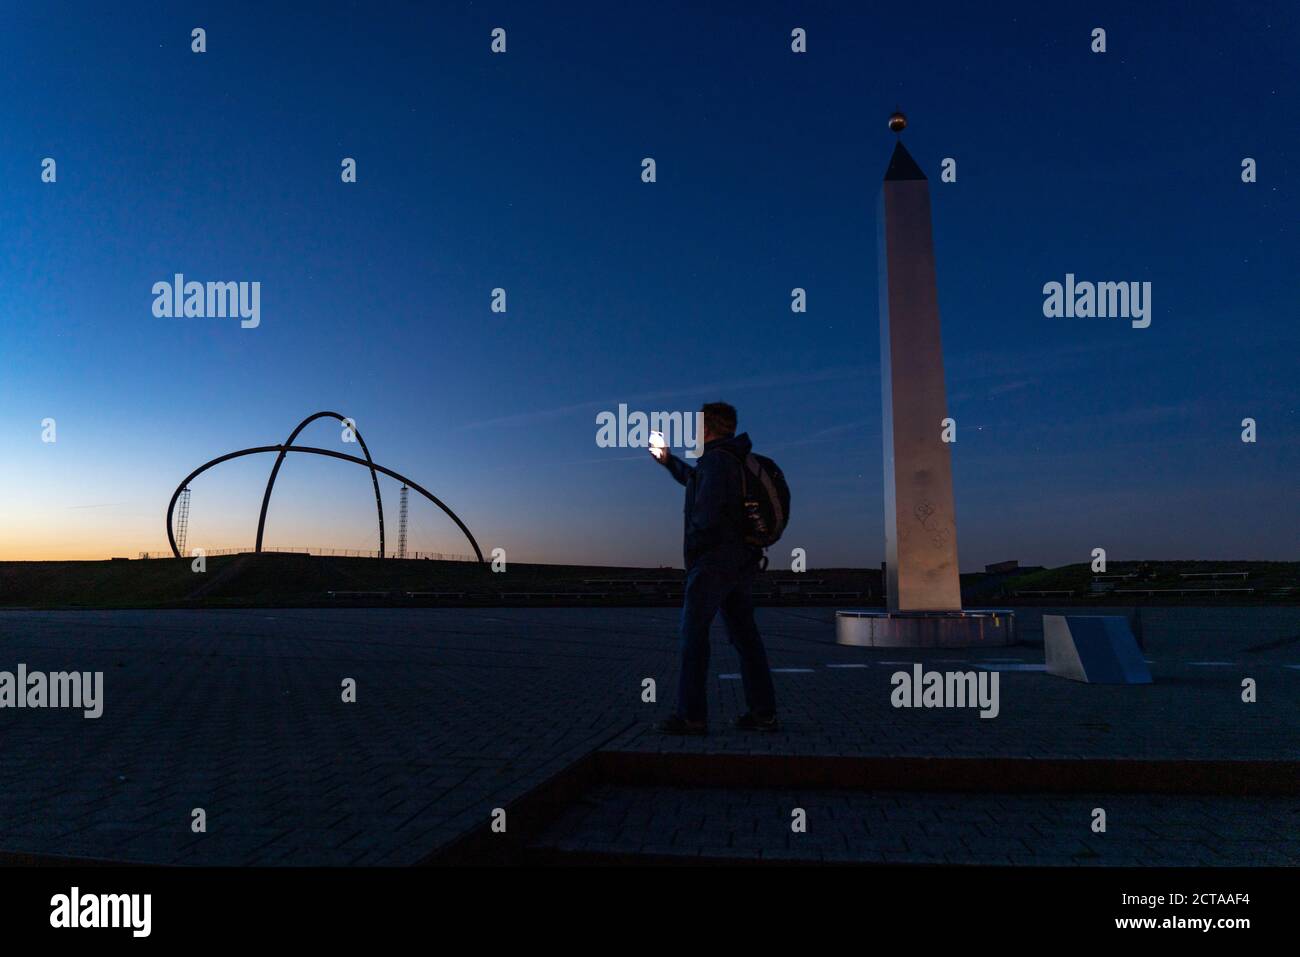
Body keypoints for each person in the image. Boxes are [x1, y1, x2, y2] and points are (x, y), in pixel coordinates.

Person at [649, 402, 778, 734]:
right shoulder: (732, 459)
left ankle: (691, 716)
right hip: (741, 562)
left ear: (708, 429)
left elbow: (706, 515)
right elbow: (693, 480)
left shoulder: (717, 462)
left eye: (697, 426)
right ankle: (763, 713)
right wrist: (668, 461)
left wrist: (694, 556)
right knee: (745, 638)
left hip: (713, 562)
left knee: (693, 635)